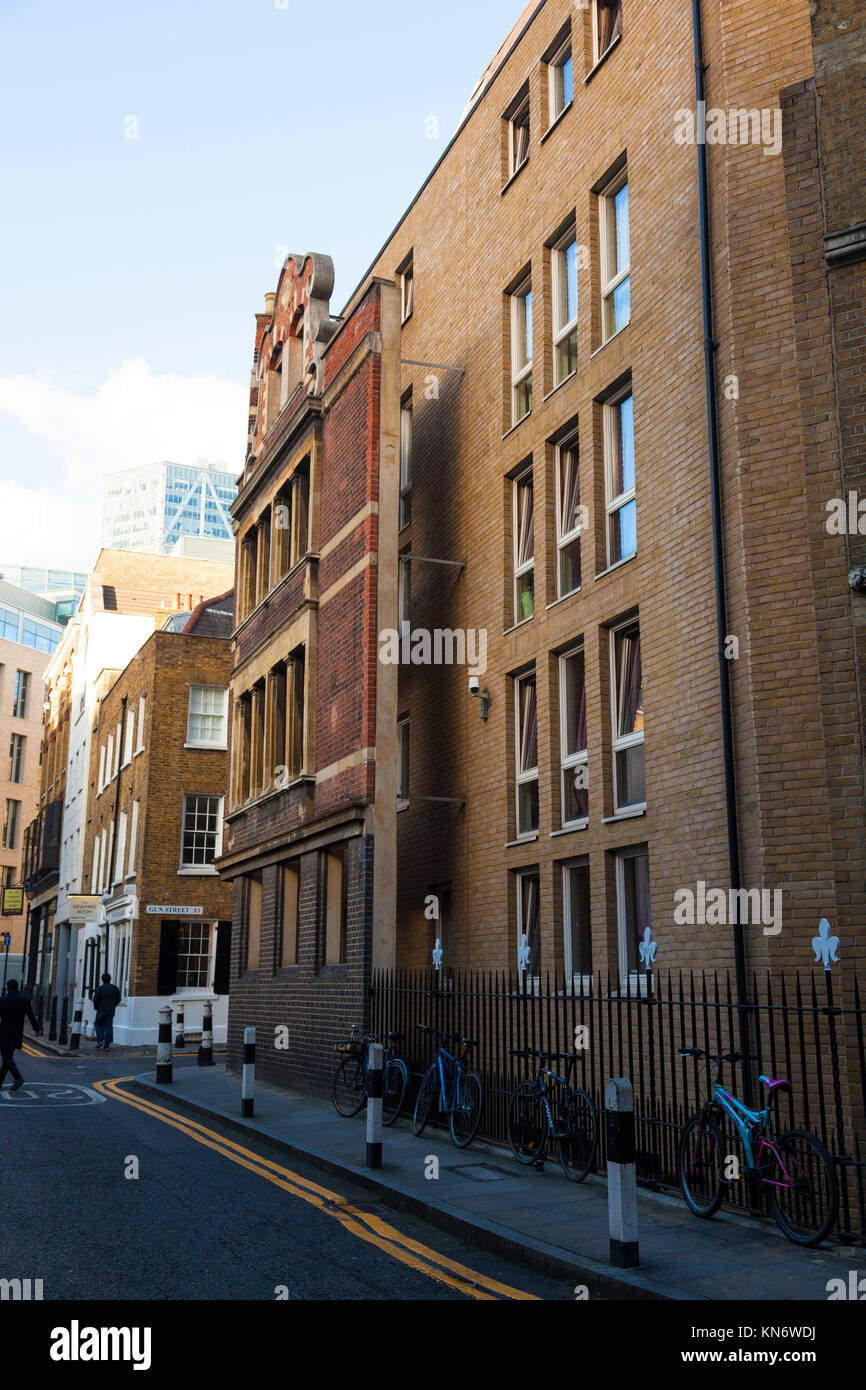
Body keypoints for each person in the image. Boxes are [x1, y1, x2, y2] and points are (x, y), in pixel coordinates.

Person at [0, 980, 42, 1091]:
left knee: (6, 1057)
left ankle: (18, 1078)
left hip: (4, 1032)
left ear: (7, 988)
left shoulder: (4, 1000)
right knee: (7, 1058)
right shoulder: (24, 1000)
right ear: (18, 987)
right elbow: (31, 1015)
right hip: (17, 1032)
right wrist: (37, 1029)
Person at [92, 973, 121, 1053]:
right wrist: (113, 1005)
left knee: (97, 1024)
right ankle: (106, 1046)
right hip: (110, 1011)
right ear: (110, 979)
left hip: (101, 1010)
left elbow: (95, 999)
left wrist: (96, 1007)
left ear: (102, 980)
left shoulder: (100, 988)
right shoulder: (115, 988)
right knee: (108, 1027)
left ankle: (100, 1040)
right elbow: (118, 998)